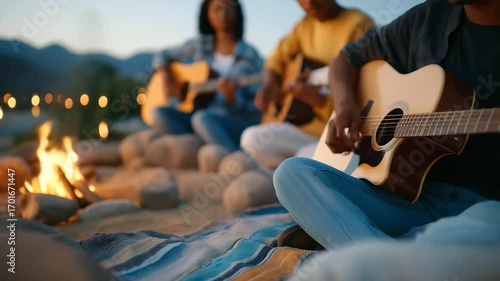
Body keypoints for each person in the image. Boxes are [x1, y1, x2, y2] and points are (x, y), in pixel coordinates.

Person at [273, 0, 500, 250]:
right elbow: (347, 58)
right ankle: (388, 250)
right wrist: (345, 105)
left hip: (481, 205)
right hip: (402, 199)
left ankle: (357, 238)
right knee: (291, 174)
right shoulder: (430, 17)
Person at [240, 0, 374, 170]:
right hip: (301, 130)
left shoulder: (359, 24)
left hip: (338, 135)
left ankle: (280, 175)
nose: (308, 2)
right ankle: (287, 177)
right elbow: (274, 60)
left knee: (304, 156)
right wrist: (270, 85)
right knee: (251, 139)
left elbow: (369, 94)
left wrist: (318, 100)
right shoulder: (304, 26)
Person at [151, 0, 263, 152]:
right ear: (207, 14)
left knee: (202, 118)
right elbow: (162, 55)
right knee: (158, 113)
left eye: (229, 9)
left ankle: (231, 158)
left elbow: (257, 109)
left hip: (230, 122)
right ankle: (203, 149)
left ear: (238, 14)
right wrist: (166, 76)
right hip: (195, 116)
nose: (223, 13)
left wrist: (233, 101)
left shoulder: (251, 55)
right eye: (217, 8)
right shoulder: (199, 45)